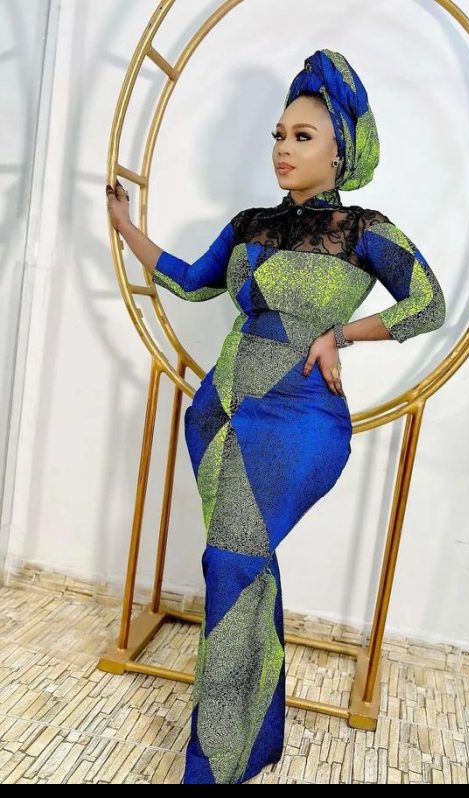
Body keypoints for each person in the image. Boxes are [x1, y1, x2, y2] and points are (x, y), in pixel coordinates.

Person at [106, 48, 446, 785]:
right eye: (279, 135)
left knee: (232, 563)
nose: (283, 149)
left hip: (297, 418)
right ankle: (253, 739)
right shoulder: (249, 223)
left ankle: (215, 766)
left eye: (302, 136)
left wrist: (339, 335)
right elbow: (191, 282)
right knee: (240, 566)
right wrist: (126, 225)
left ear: (340, 150)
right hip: (218, 412)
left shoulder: (365, 229)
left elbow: (429, 304)